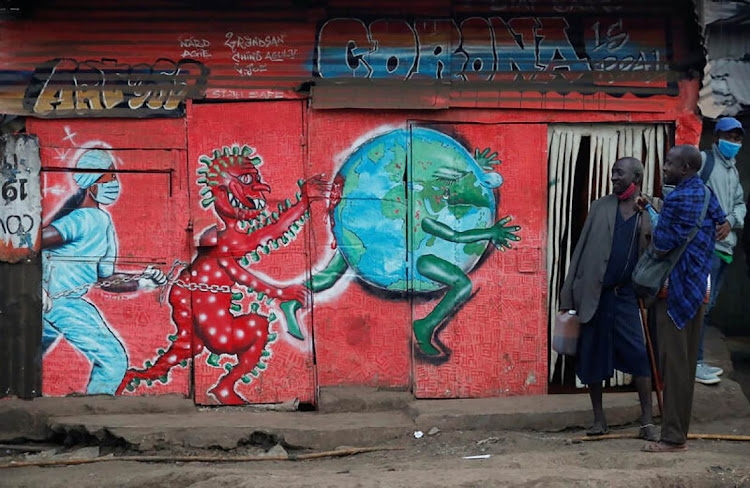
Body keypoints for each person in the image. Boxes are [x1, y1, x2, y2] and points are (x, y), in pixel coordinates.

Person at [42, 149, 166, 395]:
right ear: (92, 185)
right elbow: (29, 241)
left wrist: (142, 282)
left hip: (60, 303)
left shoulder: (103, 221)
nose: (114, 183)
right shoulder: (84, 219)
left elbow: (105, 279)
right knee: (113, 361)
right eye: (109, 177)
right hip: (59, 303)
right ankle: (91, 414)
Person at [560, 157, 657, 441]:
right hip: (596, 295)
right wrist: (568, 294)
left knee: (639, 356)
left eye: (619, 173)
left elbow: (663, 238)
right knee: (593, 356)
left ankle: (647, 421)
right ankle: (599, 419)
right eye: (613, 172)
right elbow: (580, 251)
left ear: (636, 177)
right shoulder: (600, 207)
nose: (613, 177)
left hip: (627, 296)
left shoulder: (650, 209)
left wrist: (649, 205)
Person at [641, 145, 726, 453]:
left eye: (670, 164)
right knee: (687, 367)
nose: (665, 168)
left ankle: (672, 438)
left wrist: (651, 216)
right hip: (698, 290)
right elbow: (722, 223)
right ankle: (679, 432)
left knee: (673, 366)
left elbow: (662, 243)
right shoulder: (704, 193)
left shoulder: (677, 199)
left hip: (674, 292)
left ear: (686, 169)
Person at [696, 117, 746, 384]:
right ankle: (695, 362)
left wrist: (730, 220)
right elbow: (689, 192)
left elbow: (740, 204)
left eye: (738, 139)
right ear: (716, 138)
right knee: (702, 305)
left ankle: (697, 361)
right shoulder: (705, 161)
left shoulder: (733, 170)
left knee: (709, 305)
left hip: (725, 247)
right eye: (729, 137)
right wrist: (714, 222)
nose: (733, 143)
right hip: (706, 246)